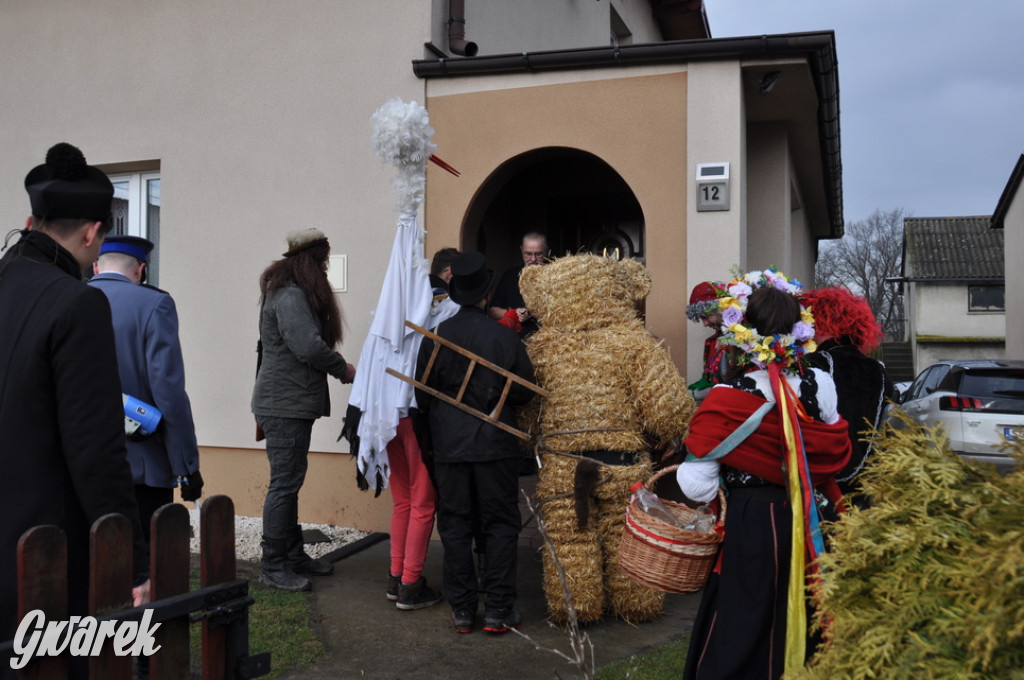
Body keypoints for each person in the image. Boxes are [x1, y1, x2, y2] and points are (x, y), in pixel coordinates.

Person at [0, 143, 150, 674]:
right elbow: (96, 448)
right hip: (45, 555)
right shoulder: (78, 302)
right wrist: (133, 560)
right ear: (93, 233)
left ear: (29, 221)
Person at [675, 270, 852, 680]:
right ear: (798, 331)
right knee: (808, 606)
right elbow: (833, 452)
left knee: (745, 611)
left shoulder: (726, 397)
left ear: (742, 332)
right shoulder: (821, 384)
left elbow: (695, 484)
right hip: (811, 516)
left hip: (753, 520)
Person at [415, 252, 535, 634]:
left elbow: (423, 398)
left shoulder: (435, 339)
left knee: (455, 526)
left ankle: (464, 611)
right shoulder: (504, 337)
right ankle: (499, 610)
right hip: (495, 447)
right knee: (499, 525)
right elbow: (523, 394)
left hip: (450, 448)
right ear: (486, 296)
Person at [252, 228, 356, 592]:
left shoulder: (285, 293)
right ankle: (274, 565)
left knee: (289, 482)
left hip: (287, 404)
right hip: (285, 406)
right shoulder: (291, 297)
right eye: (323, 261)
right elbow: (308, 348)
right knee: (284, 484)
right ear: (309, 262)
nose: (326, 269)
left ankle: (292, 556)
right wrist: (343, 369)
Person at [90, 235, 204, 553]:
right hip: (140, 464)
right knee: (145, 562)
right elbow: (168, 392)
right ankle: (146, 607)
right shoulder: (153, 304)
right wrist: (186, 466)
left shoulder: (67, 299)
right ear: (140, 270)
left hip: (80, 460)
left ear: (96, 266)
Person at [801, 287, 896, 504]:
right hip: (865, 482)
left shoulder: (817, 363)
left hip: (824, 481)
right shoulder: (877, 369)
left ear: (822, 321)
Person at [488, 232, 547, 337]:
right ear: (521, 251)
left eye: (538, 254)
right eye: (528, 254)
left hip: (549, 341)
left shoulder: (557, 276)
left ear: (546, 251)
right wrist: (514, 313)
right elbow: (493, 311)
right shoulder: (509, 276)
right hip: (516, 341)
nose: (533, 259)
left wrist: (538, 313)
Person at [685, 280, 729, 398]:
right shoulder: (711, 342)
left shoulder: (744, 341)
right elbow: (707, 381)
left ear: (720, 309)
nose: (705, 324)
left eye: (705, 317)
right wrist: (684, 394)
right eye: (701, 319)